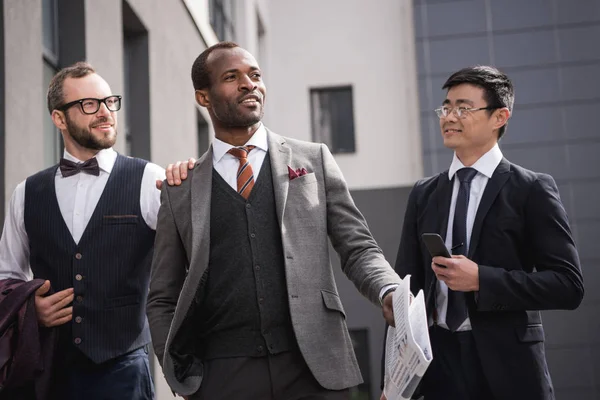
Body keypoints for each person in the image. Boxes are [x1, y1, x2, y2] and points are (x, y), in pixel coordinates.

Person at [146, 41, 402, 400]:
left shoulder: (314, 159)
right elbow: (162, 297)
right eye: (232, 77)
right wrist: (181, 376)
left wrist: (388, 290)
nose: (249, 84)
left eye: (255, 75)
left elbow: (358, 247)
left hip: (315, 368)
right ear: (203, 98)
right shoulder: (181, 188)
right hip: (222, 374)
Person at [386, 66, 584, 400]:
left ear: (500, 117)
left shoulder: (531, 189)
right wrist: (393, 382)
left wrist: (482, 279)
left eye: (463, 108)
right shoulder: (424, 194)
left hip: (509, 368)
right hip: (439, 370)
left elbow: (568, 286)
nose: (450, 116)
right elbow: (407, 289)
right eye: (446, 107)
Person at [0, 61, 164, 399]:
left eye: (108, 102)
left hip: (124, 370)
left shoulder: (150, 180)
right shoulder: (26, 193)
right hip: (49, 372)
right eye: (89, 104)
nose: (104, 112)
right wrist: (30, 311)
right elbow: (7, 276)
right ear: (59, 118)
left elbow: (190, 263)